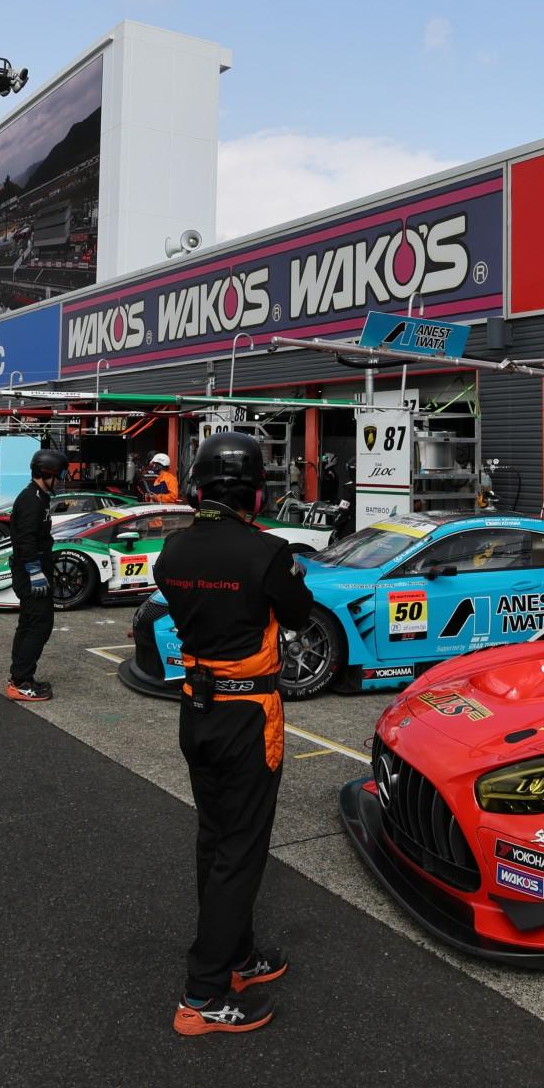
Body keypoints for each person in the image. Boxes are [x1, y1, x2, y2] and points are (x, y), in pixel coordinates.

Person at [153, 431, 314, 1036]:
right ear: (255, 492)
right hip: (248, 714)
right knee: (240, 850)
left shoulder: (173, 551)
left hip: (196, 709)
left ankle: (239, 954)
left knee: (215, 838)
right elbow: (297, 612)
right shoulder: (267, 552)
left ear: (197, 488)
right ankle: (204, 994)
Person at [5, 449, 68, 702]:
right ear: (47, 473)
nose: (60, 481)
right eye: (59, 475)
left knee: (29, 623)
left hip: (35, 567)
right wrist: (34, 570)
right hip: (31, 571)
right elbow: (25, 538)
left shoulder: (39, 496)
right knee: (39, 625)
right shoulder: (32, 499)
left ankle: (20, 677)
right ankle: (21, 682)